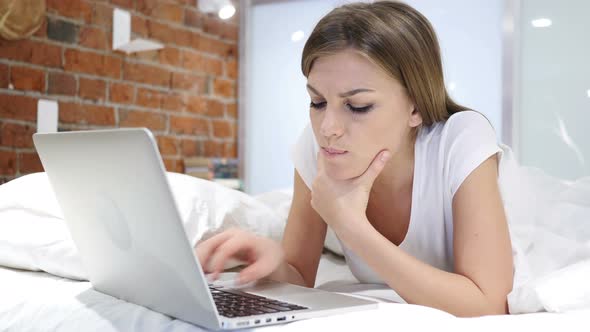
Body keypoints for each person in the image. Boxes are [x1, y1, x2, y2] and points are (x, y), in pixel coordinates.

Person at [196, 1, 513, 317]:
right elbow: (299, 277)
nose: (328, 129)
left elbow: (488, 304)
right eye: (317, 101)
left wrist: (352, 228)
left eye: (358, 106)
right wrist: (273, 261)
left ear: (415, 107)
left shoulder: (460, 138)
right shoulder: (314, 145)